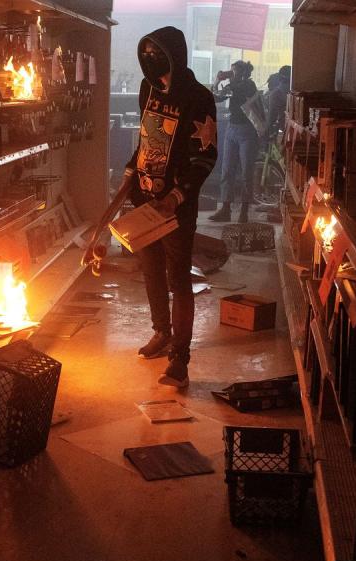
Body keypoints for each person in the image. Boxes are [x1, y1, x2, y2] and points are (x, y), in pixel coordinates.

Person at [83, 26, 217, 387]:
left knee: (178, 278)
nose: (149, 60)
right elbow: (148, 138)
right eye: (145, 53)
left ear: (174, 53)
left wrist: (177, 196)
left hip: (174, 206)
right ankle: (162, 332)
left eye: (156, 52)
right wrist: (130, 169)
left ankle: (180, 360)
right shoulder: (148, 90)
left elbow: (204, 157)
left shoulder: (198, 98)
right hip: (143, 199)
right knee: (150, 269)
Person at [209, 60, 258, 223]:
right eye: (232, 71)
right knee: (227, 170)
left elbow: (228, 92)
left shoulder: (248, 85)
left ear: (244, 73)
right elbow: (215, 97)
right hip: (232, 128)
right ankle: (225, 209)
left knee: (246, 172)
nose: (232, 74)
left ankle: (244, 210)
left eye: (235, 71)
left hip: (247, 130)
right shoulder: (234, 85)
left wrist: (225, 81)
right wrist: (218, 80)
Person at [265, 65, 290, 140]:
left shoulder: (276, 94)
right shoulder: (297, 91)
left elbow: (272, 117)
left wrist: (267, 132)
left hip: (282, 130)